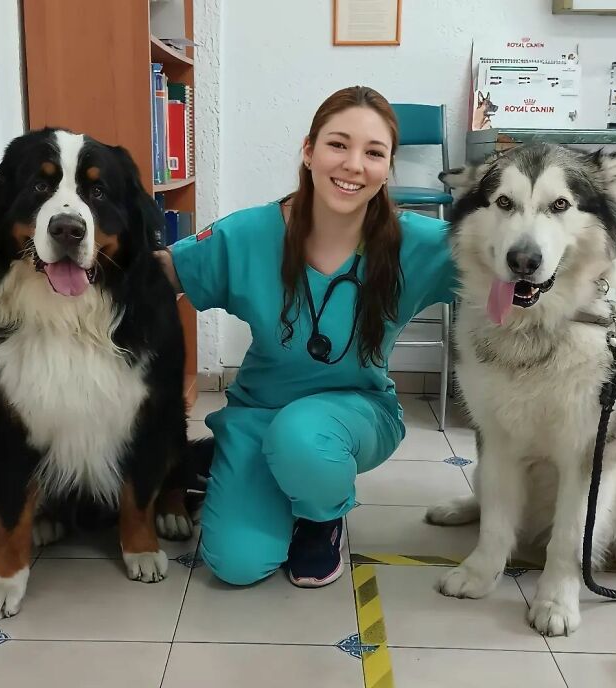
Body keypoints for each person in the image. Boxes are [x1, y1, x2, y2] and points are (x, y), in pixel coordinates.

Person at [156, 85, 456, 588]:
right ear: (309, 150)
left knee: (302, 437)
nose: (354, 164)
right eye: (338, 145)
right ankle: (240, 462)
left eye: (374, 153)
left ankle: (322, 517)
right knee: (236, 563)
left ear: (388, 167)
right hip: (259, 410)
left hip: (357, 412)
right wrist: (86, 252)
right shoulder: (249, 233)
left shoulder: (417, 244)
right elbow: (166, 273)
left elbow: (501, 261)